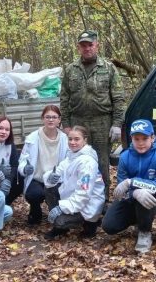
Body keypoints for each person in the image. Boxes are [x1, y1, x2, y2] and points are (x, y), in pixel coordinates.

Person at [60, 30, 126, 198]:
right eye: (83, 45)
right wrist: (66, 124)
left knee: (101, 163)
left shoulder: (109, 68)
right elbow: (64, 98)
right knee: (77, 161)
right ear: (78, 48)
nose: (87, 48)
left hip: (102, 122)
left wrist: (117, 124)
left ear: (97, 45)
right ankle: (77, 198)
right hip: (78, 121)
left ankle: (101, 200)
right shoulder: (70, 70)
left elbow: (118, 98)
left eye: (90, 45)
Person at [101, 119, 156, 254]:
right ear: (131, 138)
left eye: (145, 138)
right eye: (136, 138)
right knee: (109, 226)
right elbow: (122, 189)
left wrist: (132, 182)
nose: (140, 143)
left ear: (152, 137)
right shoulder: (125, 156)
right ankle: (138, 220)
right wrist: (134, 193)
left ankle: (145, 232)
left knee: (145, 195)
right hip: (132, 196)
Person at [43, 126, 105, 240]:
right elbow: (57, 171)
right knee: (49, 186)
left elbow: (84, 194)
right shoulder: (71, 156)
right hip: (73, 198)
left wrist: (61, 208)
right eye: (70, 139)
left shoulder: (88, 162)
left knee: (60, 222)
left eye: (77, 139)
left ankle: (90, 223)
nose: (72, 142)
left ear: (85, 140)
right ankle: (64, 223)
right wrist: (51, 177)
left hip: (88, 205)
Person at [17, 105, 69, 225]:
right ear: (42, 119)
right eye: (48, 117)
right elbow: (23, 160)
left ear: (59, 120)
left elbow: (68, 162)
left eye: (54, 117)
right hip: (37, 178)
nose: (51, 120)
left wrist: (59, 174)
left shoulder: (65, 139)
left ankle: (57, 213)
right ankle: (35, 212)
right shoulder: (33, 137)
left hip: (56, 178)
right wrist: (25, 168)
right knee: (34, 194)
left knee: (58, 202)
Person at [0, 116, 23, 205]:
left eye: (7, 130)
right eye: (0, 128)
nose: (3, 132)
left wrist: (8, 180)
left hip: (4, 178)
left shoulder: (10, 145)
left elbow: (14, 165)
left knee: (21, 178)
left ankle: (6, 202)